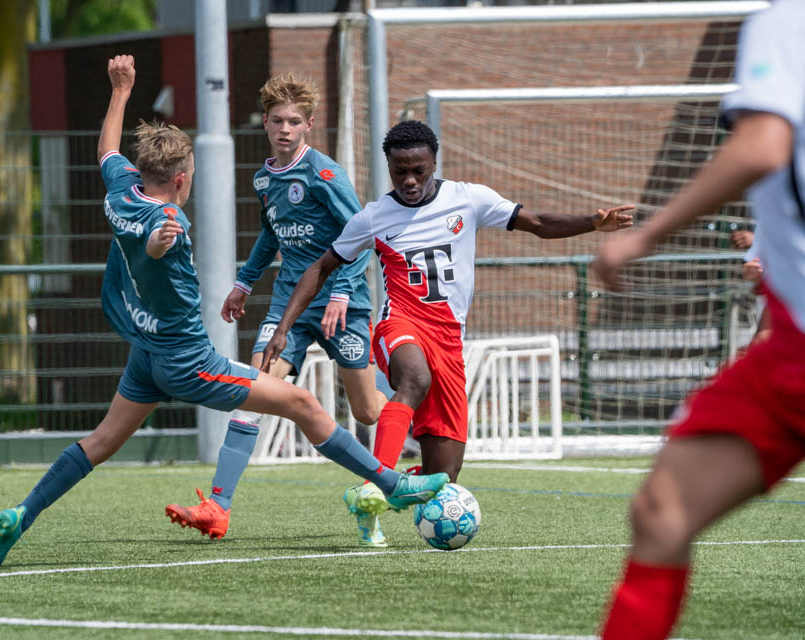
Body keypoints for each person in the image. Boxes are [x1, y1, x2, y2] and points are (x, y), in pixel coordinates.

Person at [0, 55, 447, 568]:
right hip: (188, 361)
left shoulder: (119, 188)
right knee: (306, 406)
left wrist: (120, 92)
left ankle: (21, 515)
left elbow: (106, 147)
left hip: (145, 352)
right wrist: (160, 238)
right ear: (180, 178)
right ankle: (391, 485)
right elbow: (157, 244)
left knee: (101, 441)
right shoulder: (171, 220)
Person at [262, 119, 634, 545]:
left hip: (449, 339)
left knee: (445, 475)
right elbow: (320, 267)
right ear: (388, 167)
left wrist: (592, 222)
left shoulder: (468, 199)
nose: (409, 180)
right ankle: (373, 486)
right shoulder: (375, 216)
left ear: (434, 162)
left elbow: (538, 222)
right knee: (413, 378)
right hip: (398, 323)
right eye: (399, 171)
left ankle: (383, 492)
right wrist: (282, 327)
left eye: (418, 169)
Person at [593, 3, 805, 637]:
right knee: (663, 510)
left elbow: (763, 144)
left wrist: (646, 235)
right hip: (791, 345)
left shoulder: (784, 20)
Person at [165, 72, 392, 547]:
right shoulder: (265, 177)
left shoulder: (324, 174)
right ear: (265, 123)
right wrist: (244, 283)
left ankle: (396, 465)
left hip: (342, 303)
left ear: (308, 124)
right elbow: (272, 233)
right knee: (254, 389)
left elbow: (362, 233)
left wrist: (342, 291)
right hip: (291, 304)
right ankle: (218, 508)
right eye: (275, 120)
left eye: (293, 121)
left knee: (369, 411)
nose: (284, 128)